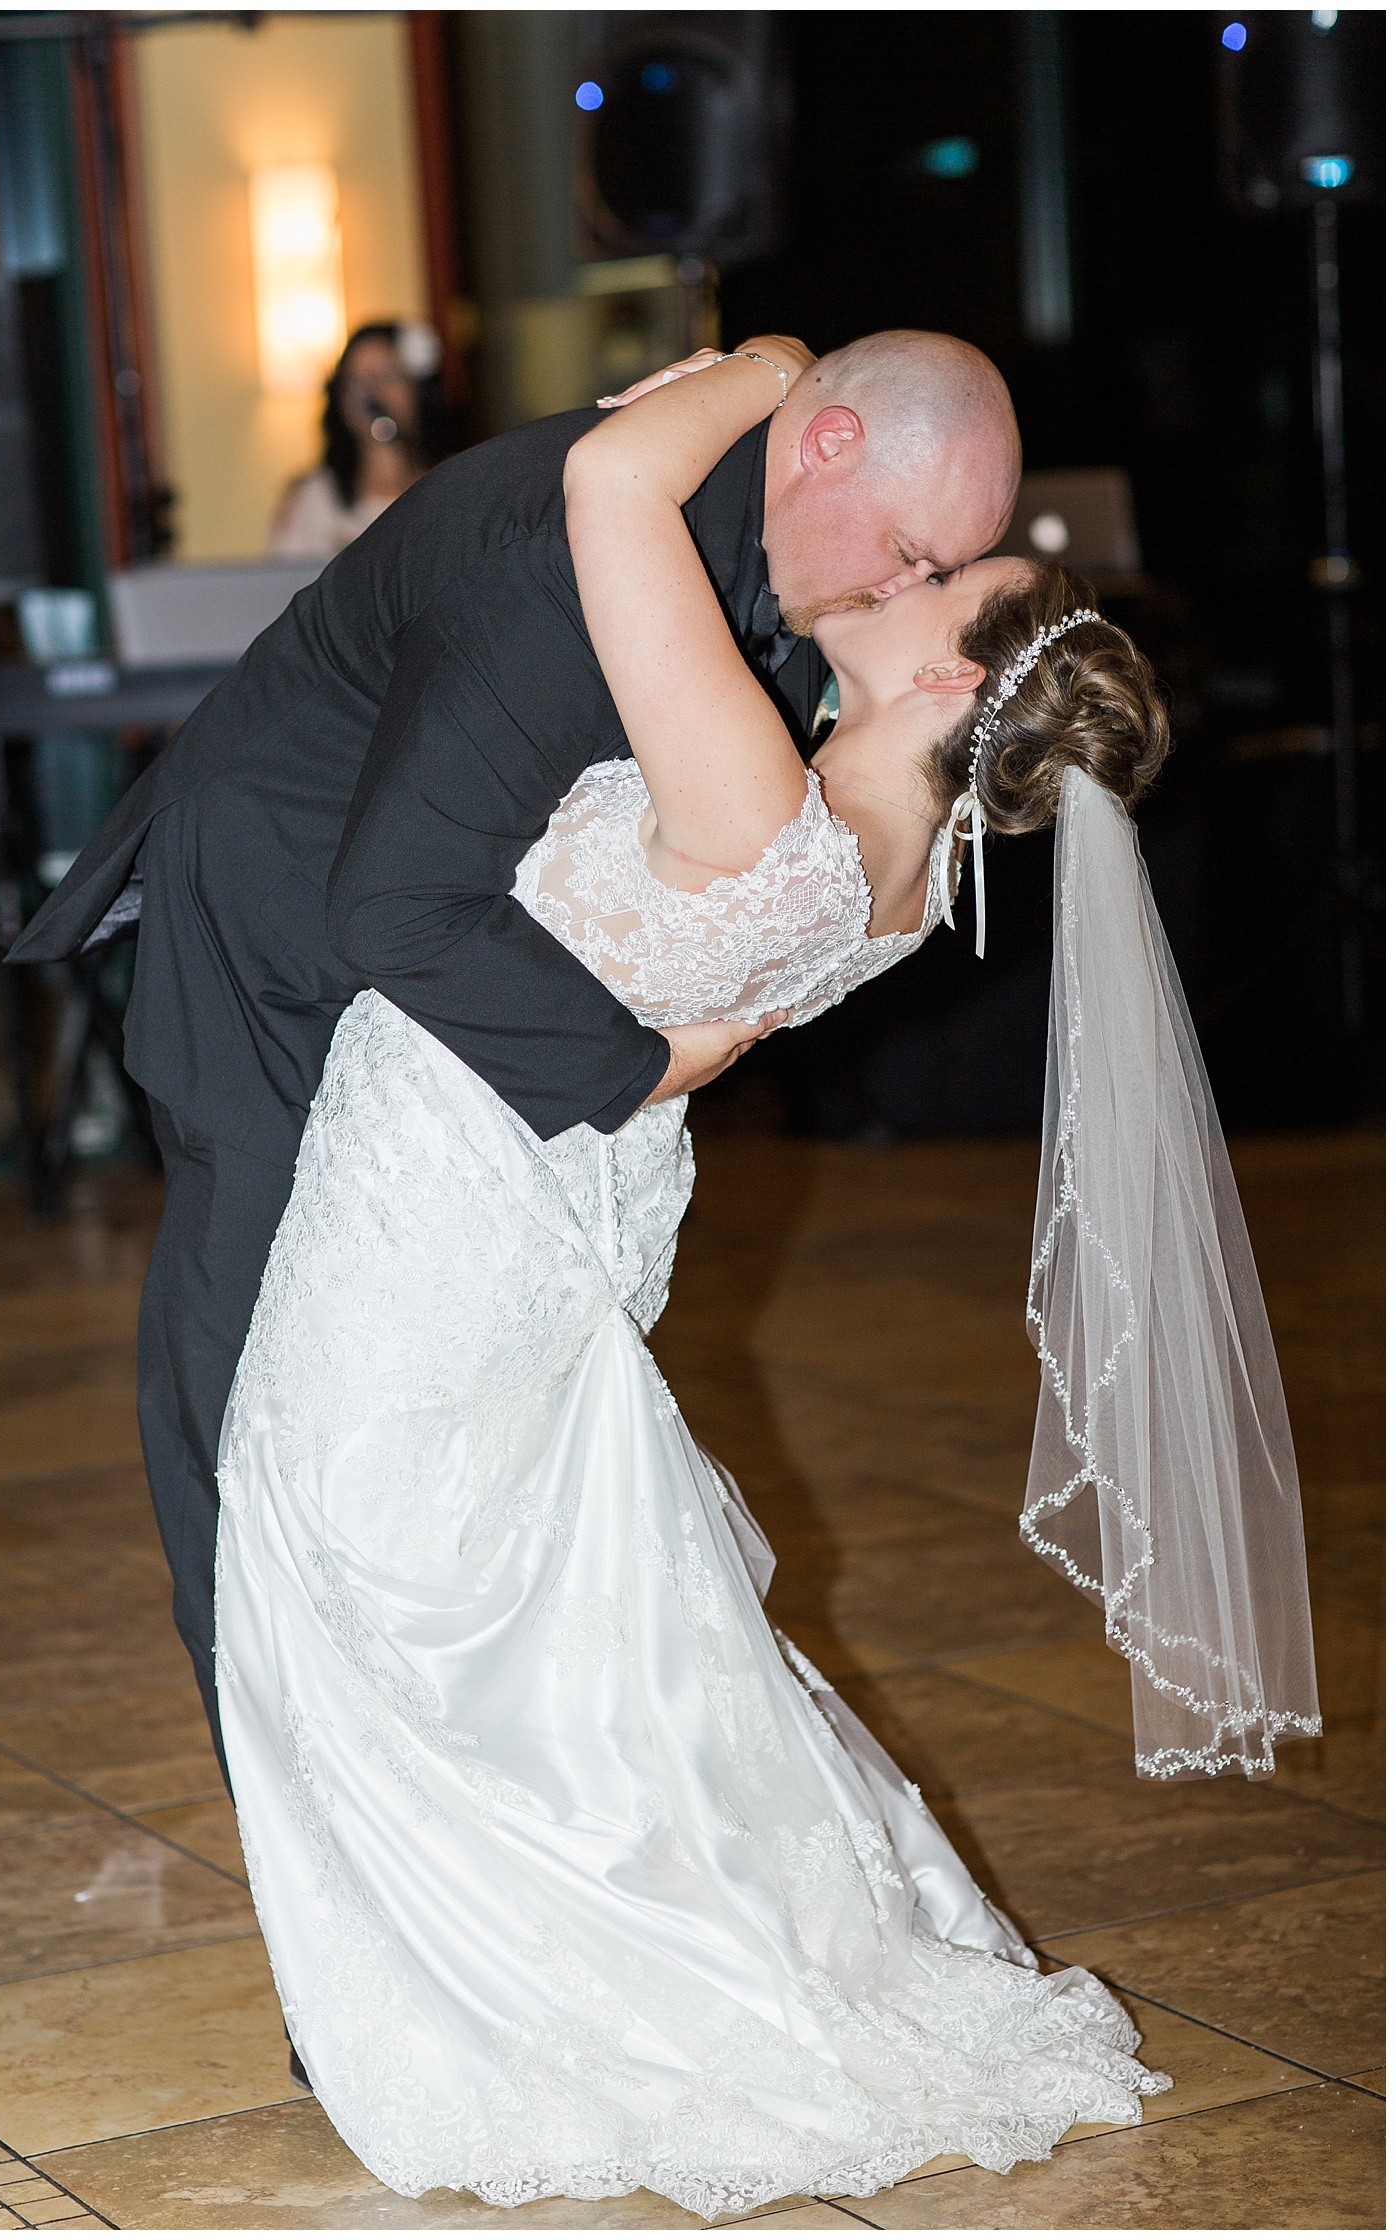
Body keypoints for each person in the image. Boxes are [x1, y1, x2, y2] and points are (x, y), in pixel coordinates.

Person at [209, 351, 1318, 2207]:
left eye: (937, 584)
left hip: (454, 1205)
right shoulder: (913, 867)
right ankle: (531, 1946)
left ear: (962, 677)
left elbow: (609, 501)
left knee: (341, 1541)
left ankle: (511, 1994)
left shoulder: (753, 796)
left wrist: (754, 371)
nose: (893, 584)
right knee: (487, 1587)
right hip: (543, 1209)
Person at [7, 329, 1023, 1785]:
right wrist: (633, 1070)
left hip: (467, 1044)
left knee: (465, 1485)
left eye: (940, 577)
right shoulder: (571, 539)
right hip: (290, 951)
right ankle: (334, 1898)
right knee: (257, 1441)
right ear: (831, 446)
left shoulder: (782, 545)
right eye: (919, 555)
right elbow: (397, 908)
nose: (906, 598)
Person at [268, 320, 444, 560]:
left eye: (387, 376)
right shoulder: (316, 497)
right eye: (357, 381)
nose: (371, 393)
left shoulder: (452, 482)